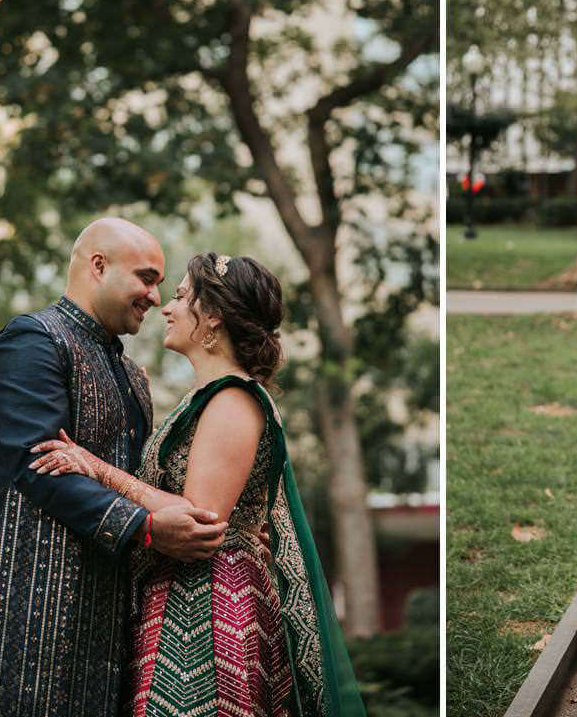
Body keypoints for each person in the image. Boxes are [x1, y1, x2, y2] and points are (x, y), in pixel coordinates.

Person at [30, 252, 367, 715]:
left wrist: (94, 467)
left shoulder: (233, 400)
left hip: (210, 611)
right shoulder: (210, 398)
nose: (166, 307)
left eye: (182, 295)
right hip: (184, 597)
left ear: (213, 317)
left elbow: (199, 518)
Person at [0, 217, 229, 717]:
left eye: (161, 283)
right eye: (146, 277)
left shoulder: (131, 374)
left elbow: (142, 480)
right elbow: (38, 467)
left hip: (112, 622)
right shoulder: (32, 341)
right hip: (28, 611)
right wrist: (145, 528)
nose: (154, 295)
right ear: (98, 266)